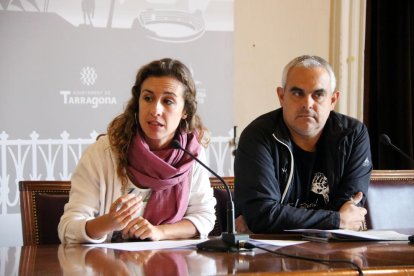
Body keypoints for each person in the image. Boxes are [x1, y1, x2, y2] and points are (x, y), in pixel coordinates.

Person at [59, 58, 216, 244]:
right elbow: (68, 229)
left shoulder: (190, 154)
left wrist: (160, 232)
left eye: (168, 101)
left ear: (185, 111)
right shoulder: (103, 152)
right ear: (137, 103)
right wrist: (109, 222)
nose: (155, 109)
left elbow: (204, 217)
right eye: (148, 98)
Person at [234, 55, 372, 233]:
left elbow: (350, 212)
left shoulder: (353, 135)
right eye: (298, 93)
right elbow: (262, 215)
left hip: (335, 252)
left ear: (333, 100)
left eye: (318, 94)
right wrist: (336, 219)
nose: (307, 104)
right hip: (271, 254)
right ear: (281, 96)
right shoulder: (258, 136)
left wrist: (280, 218)